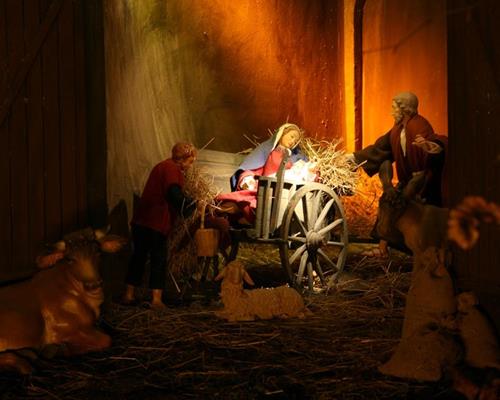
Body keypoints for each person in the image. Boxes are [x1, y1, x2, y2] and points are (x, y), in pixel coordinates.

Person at [352, 92, 447, 255]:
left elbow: (435, 141)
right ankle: (385, 245)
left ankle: (418, 251)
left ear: (405, 110)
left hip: (423, 183)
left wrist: (431, 146)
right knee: (388, 203)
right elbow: (381, 149)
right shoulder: (397, 130)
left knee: (414, 216)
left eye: (394, 108)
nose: (391, 112)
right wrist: (354, 158)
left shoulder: (419, 125)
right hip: (406, 182)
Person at [122, 142, 197, 309]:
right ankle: (156, 300)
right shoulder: (172, 169)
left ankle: (128, 294)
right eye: (190, 161)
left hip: (141, 221)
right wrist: (189, 205)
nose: (191, 166)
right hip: (155, 222)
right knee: (159, 259)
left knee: (138, 258)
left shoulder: (162, 166)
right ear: (183, 159)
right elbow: (173, 192)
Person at [218, 123, 308, 225]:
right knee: (242, 199)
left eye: (295, 141)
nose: (292, 142)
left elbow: (299, 172)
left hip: (280, 193)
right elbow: (254, 168)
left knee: (252, 203)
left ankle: (245, 218)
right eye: (291, 137)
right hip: (262, 187)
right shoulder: (267, 150)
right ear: (283, 133)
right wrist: (247, 178)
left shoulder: (294, 158)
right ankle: (220, 211)